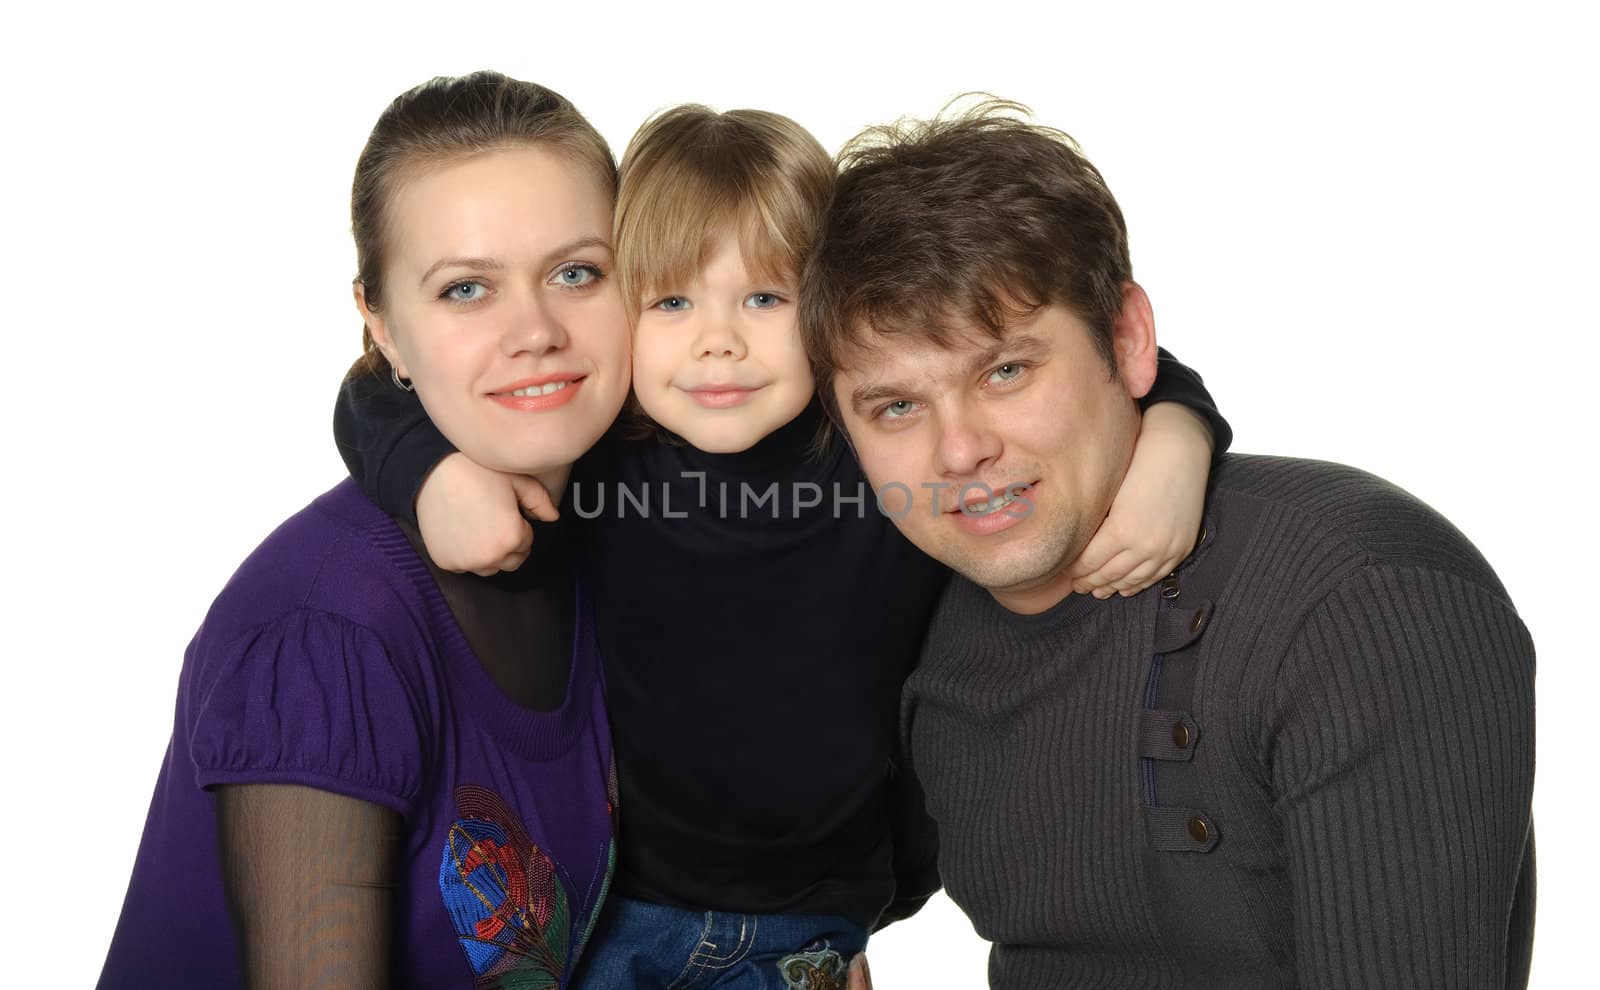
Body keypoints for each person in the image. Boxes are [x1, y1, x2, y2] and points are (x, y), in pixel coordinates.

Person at [333, 103, 1232, 988]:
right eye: (673, 300)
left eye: (764, 298)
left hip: (814, 921)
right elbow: (372, 392)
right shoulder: (603, 454)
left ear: (830, 315)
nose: (718, 342)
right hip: (613, 905)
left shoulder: (884, 449)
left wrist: (1177, 447)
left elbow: (1106, 356)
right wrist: (432, 476)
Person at [801, 98, 1538, 989]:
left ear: (1129, 339)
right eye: (897, 407)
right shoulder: (908, 626)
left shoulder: (1357, 594)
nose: (959, 451)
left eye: (1005, 370)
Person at [99, 71, 633, 988]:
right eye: (466, 290)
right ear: (381, 327)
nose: (536, 328)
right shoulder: (325, 633)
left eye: (576, 272)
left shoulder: (615, 533)